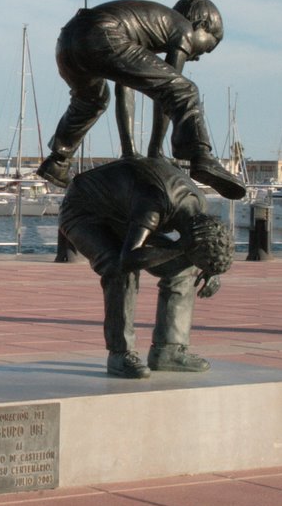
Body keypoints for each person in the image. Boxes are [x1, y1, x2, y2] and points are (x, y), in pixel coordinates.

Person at [36, 0, 246, 200]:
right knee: (185, 90)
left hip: (68, 40)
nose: (199, 57)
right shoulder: (183, 28)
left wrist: (130, 153)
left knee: (91, 101)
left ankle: (58, 161)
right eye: (208, 47)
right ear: (202, 25)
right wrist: (155, 151)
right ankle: (201, 156)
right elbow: (168, 91)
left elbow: (124, 89)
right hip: (101, 33)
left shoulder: (146, 27)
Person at [58, 156, 235, 379]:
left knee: (183, 268)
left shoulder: (197, 205)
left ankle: (168, 350)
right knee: (119, 270)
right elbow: (128, 258)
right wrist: (181, 248)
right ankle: (120, 354)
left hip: (124, 211)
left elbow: (198, 245)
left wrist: (207, 267)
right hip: (82, 210)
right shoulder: (155, 203)